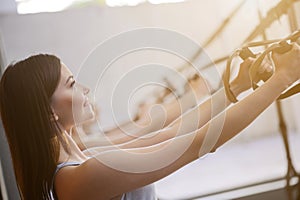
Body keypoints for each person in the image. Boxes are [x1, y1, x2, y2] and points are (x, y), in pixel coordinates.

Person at [0, 43, 299, 200]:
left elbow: (174, 131)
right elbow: (200, 142)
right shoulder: (79, 179)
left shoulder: (85, 158)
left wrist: (236, 87)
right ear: (48, 111)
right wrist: (282, 78)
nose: (84, 89)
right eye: (72, 83)